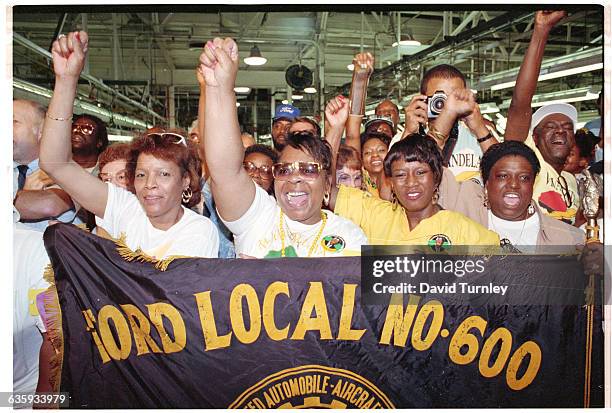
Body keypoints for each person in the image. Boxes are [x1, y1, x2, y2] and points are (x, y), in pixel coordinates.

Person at [39, 31, 218, 259]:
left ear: (185, 180)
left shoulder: (199, 231)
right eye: (141, 175)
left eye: (163, 174)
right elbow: (56, 164)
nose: (149, 185)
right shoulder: (124, 209)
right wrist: (66, 80)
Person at [198, 37, 367, 258]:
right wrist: (219, 88)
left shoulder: (349, 235)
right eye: (284, 170)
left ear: (327, 185)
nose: (294, 178)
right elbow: (224, 168)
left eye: (308, 170)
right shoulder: (257, 216)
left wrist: (268, 274)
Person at [330, 133, 499, 247]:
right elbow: (324, 189)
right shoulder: (375, 215)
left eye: (420, 173)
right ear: (391, 183)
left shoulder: (467, 233)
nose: (411, 182)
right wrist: (336, 128)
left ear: (436, 177)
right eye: (401, 175)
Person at [503, 10, 579, 225]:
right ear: (534, 138)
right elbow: (520, 104)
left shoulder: (571, 182)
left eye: (567, 127)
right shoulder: (528, 163)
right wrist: (541, 32)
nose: (560, 130)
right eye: (550, 126)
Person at [440, 141, 584, 251]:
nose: (514, 184)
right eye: (503, 176)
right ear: (487, 184)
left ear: (533, 184)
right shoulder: (465, 215)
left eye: (524, 178)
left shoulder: (569, 239)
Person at [402, 64, 499, 182]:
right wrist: (409, 132)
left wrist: (480, 129)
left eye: (454, 98)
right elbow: (399, 179)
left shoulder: (480, 134)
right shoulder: (404, 138)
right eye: (439, 98)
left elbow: (503, 170)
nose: (448, 105)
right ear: (423, 100)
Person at [13, 99, 75, 231]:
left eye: (14, 122)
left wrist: (21, 196)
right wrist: (25, 196)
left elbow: (50, 204)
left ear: (42, 131)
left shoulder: (62, 169)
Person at [360, 131, 391, 198]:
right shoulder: (356, 181)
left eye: (381, 150)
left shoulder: (398, 180)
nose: (375, 155)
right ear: (361, 159)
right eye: (367, 152)